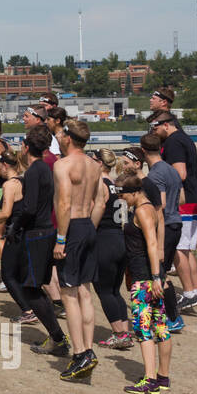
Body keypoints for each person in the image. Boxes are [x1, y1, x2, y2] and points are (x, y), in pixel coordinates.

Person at [52, 118, 102, 379]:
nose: (58, 138)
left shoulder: (63, 165)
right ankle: (89, 349)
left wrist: (61, 239)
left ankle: (80, 353)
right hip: (87, 226)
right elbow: (97, 200)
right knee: (85, 291)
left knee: (68, 292)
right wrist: (87, 230)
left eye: (61, 134)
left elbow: (64, 204)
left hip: (71, 227)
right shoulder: (95, 165)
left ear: (68, 138)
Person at [119, 175, 172, 394]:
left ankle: (150, 380)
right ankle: (163, 376)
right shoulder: (150, 207)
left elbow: (151, 243)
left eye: (124, 196)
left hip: (145, 278)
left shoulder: (141, 211)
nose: (123, 200)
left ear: (134, 193)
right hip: (152, 276)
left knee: (143, 328)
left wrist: (156, 276)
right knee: (160, 326)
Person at [21, 126, 70, 356]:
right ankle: (57, 336)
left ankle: (58, 337)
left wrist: (16, 224)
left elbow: (29, 208)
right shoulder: (46, 168)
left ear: (26, 146)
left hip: (36, 233)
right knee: (35, 285)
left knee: (32, 288)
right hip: (48, 230)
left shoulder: (33, 171)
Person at [151, 111, 197, 311]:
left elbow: (180, 173)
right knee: (187, 249)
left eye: (155, 128)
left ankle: (190, 292)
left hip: (182, 199)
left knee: (179, 249)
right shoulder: (184, 138)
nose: (154, 132)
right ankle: (196, 290)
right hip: (193, 197)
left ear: (166, 125)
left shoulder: (173, 142)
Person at [140, 131, 186, 333]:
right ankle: (168, 315)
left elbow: (161, 203)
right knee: (162, 271)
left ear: (143, 151)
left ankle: (173, 317)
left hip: (165, 225)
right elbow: (182, 199)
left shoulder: (156, 174)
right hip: (176, 221)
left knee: (159, 273)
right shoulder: (172, 170)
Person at [91, 149, 134, 351]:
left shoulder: (100, 184)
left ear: (100, 163)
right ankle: (124, 331)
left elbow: (98, 210)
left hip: (105, 239)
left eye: (93, 160)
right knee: (115, 290)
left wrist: (88, 233)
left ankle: (119, 333)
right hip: (119, 237)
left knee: (104, 289)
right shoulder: (117, 185)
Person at [0, 146, 37, 325]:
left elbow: (5, 212)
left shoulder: (9, 185)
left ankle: (28, 310)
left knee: (8, 275)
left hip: (14, 233)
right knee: (21, 273)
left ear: (4, 165)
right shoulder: (23, 181)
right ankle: (32, 308)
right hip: (25, 232)